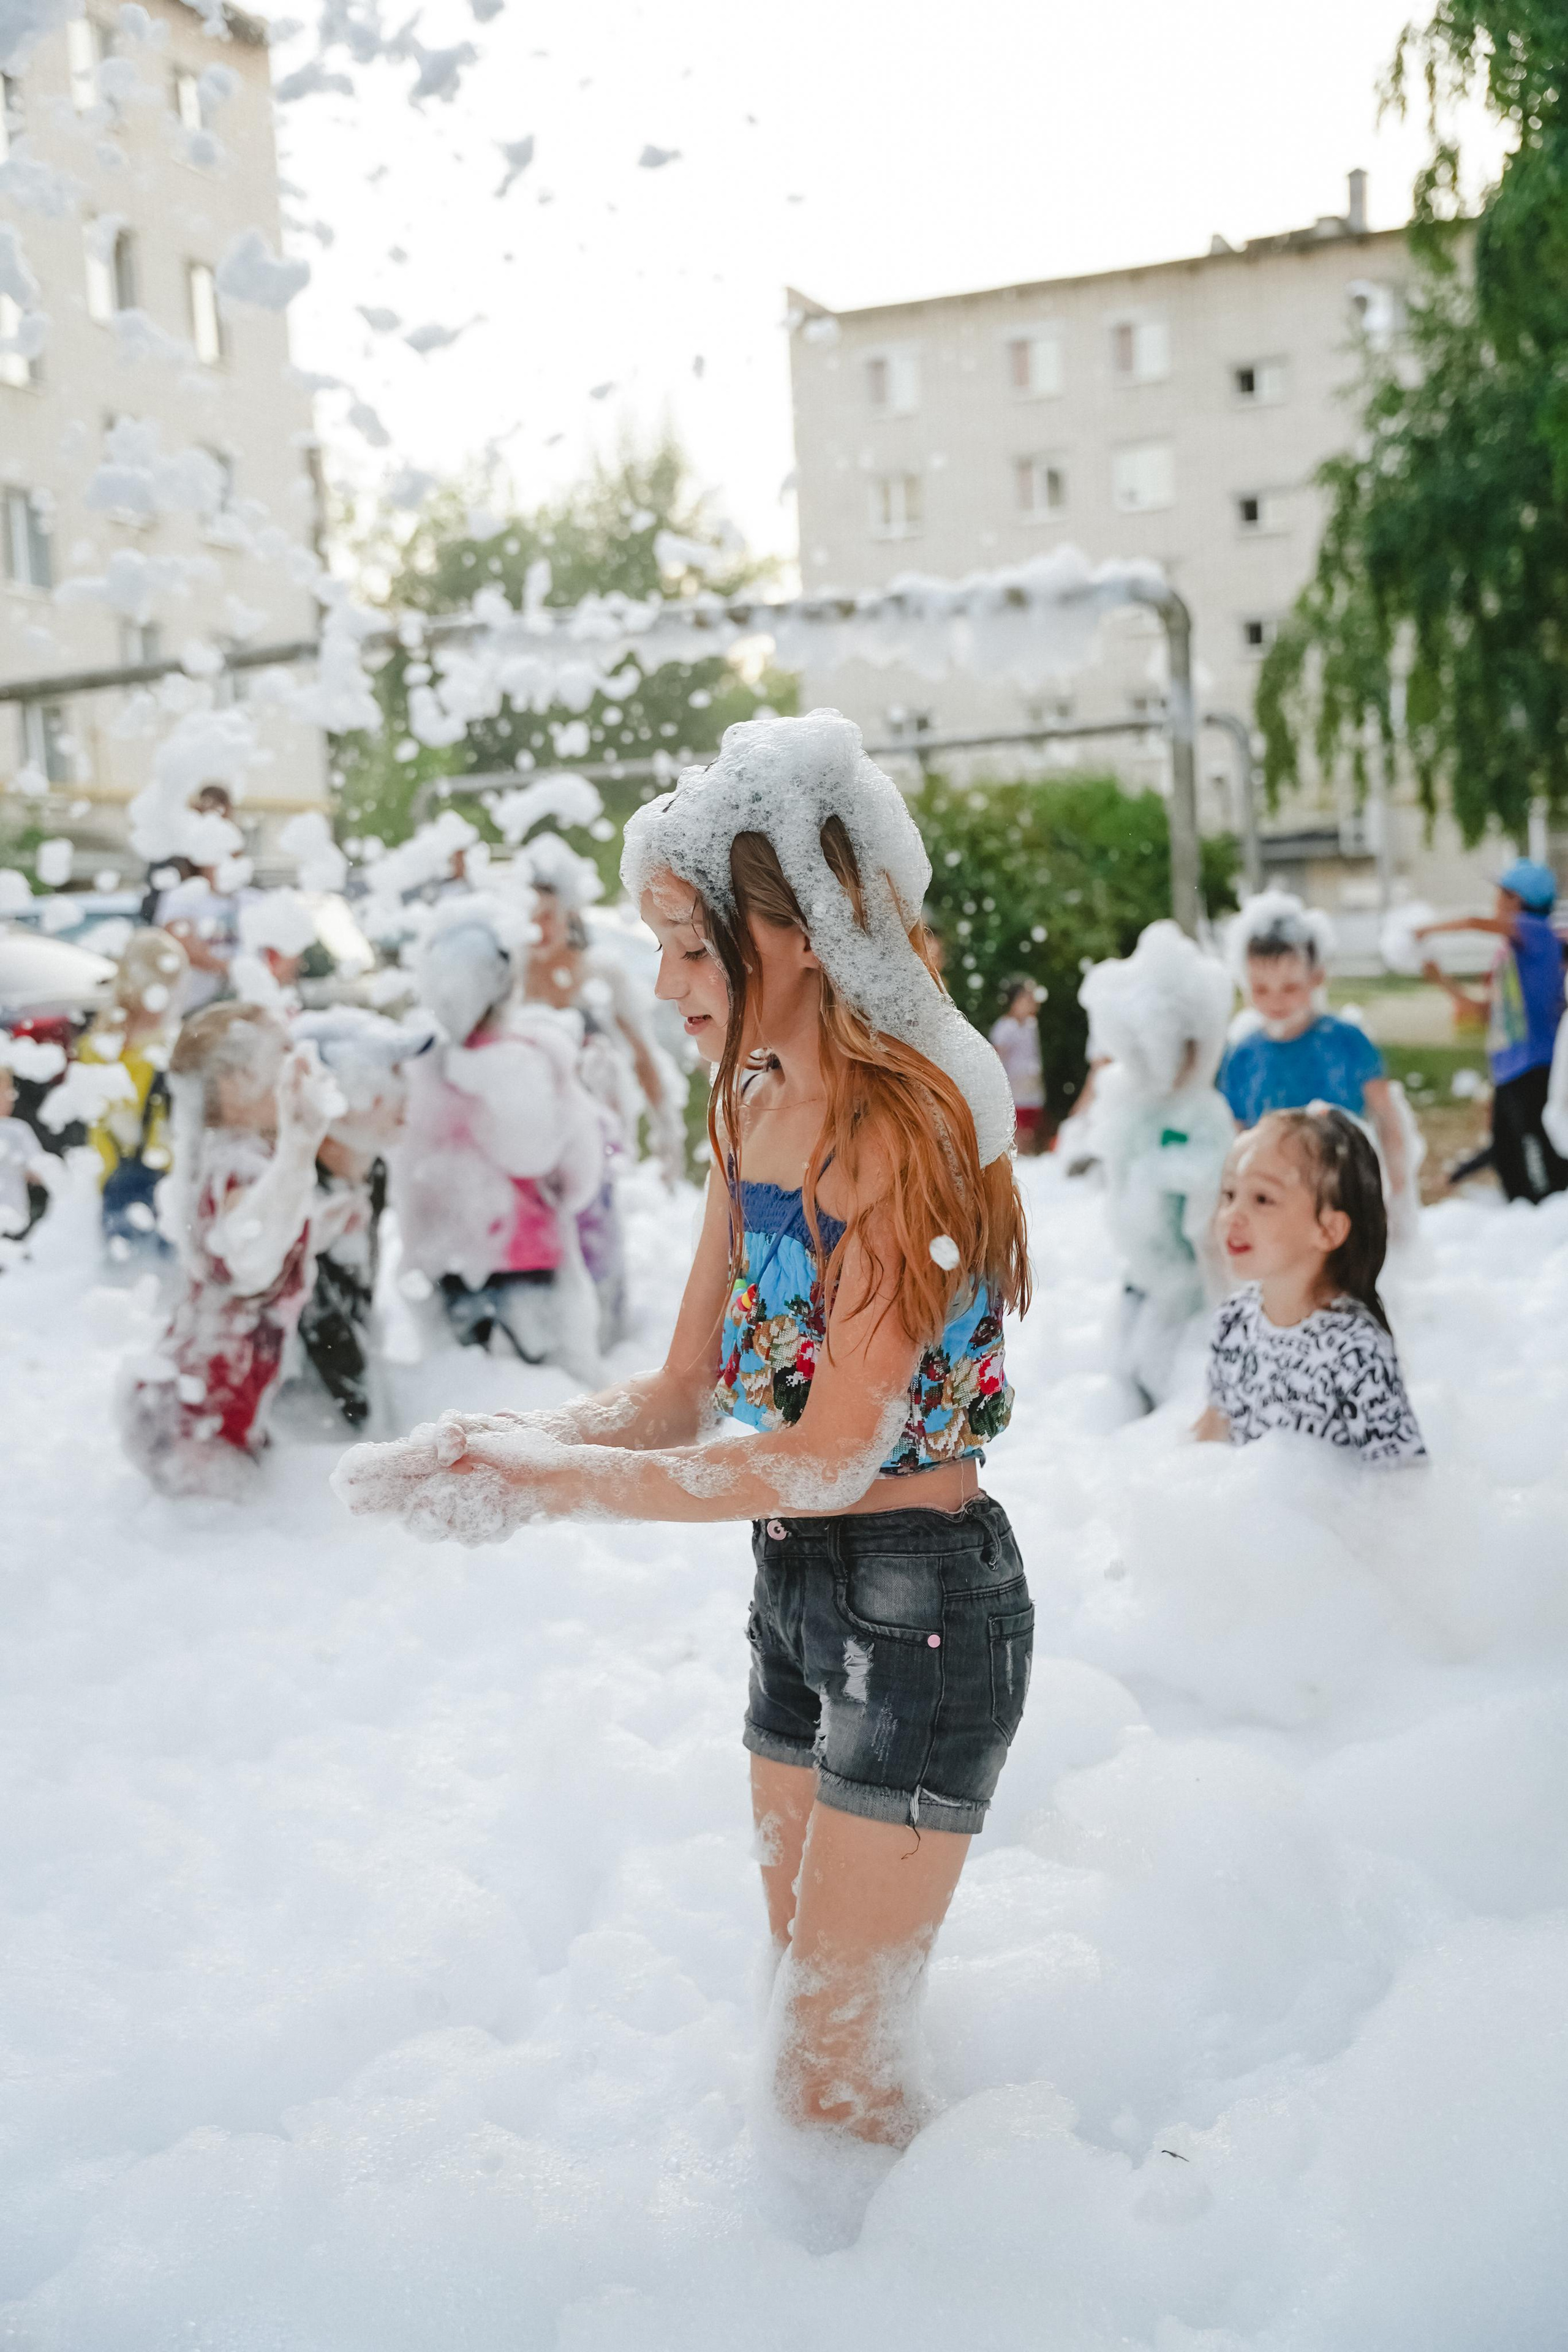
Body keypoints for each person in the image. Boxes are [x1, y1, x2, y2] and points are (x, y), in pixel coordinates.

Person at [336, 710, 1033, 2153]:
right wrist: (507, 1444)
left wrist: (563, 1482)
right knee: (798, 2027)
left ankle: (1009, 2241)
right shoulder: (749, 1109)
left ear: (796, 937)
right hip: (796, 1586)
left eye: (689, 950)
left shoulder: (899, 1134)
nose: (661, 985)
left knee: (828, 2081)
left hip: (923, 1606)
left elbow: (834, 1452)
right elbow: (677, 1396)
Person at [118, 1004, 339, 1498]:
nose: (302, 1064)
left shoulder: (228, 1155)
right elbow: (249, 1258)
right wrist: (300, 1153)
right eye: (285, 1053)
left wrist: (322, 1223)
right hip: (201, 1421)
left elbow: (243, 1247)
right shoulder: (240, 1164)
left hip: (195, 1399)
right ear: (236, 1084)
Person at [394, 894, 608, 1385]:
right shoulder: (532, 1055)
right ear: (507, 982)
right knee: (554, 1404)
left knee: (463, 1402)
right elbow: (575, 1178)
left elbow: (405, 1174)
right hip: (532, 1262)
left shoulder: (418, 1066)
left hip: (446, 1266)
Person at [1196, 1107, 1425, 1464]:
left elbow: (1401, 1477)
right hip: (1250, 1494)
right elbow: (1212, 1431)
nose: (1231, 1216)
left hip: (1325, 1500)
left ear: (1328, 1230)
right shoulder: (1234, 1322)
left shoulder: (1354, 1350)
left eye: (1262, 1199)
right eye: (1228, 1194)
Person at [1076, 921, 1235, 1409]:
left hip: (1191, 1280)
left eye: (1177, 1051)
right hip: (1143, 1275)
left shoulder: (1205, 1112)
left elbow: (1217, 1182)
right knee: (1128, 1373)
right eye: (1143, 1054)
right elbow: (1118, 1175)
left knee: (1179, 1379)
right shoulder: (1130, 1104)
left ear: (1202, 1046)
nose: (1161, 1067)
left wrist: (1168, 1171)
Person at [288, 1007, 429, 1431]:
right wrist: (370, 1428)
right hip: (303, 1421)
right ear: (338, 1095)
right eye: (389, 1073)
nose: (407, 1092)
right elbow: (326, 1336)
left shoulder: (373, 1170)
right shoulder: (300, 1197)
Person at [1218, 892, 1409, 1200]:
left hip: (1340, 1187)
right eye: (1261, 989)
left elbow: (1386, 1116)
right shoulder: (1242, 1056)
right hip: (1272, 1193)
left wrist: (1396, 1186)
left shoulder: (1347, 1041)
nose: (1276, 1000)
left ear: (1317, 978)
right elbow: (1236, 1136)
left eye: (1290, 987)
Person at [1418, 858, 1567, 1204]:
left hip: (1535, 1066)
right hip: (1509, 1071)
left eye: (1501, 893)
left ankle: (1552, 1217)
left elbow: (1474, 922)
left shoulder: (1537, 932)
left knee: (1542, 1165)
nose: (1495, 901)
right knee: (1509, 1159)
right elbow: (1484, 1010)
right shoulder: (1512, 956)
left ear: (1518, 900)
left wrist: (1421, 931)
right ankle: (1524, 1218)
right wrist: (1440, 979)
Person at [78, 928, 189, 1255]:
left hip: (111, 1183)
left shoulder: (95, 1047)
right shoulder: (167, 1051)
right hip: (163, 1186)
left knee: (121, 1269)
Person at [0, 1050, 57, 1246]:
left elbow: (38, 1168)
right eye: (4, 1093)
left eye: (11, 1093)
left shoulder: (18, 1130)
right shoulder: (17, 1130)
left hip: (13, 1217)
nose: (10, 1099)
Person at [989, 977, 1046, 1153]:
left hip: (1032, 1091)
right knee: (1017, 1138)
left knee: (1031, 1136)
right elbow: (997, 1059)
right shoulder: (1005, 1027)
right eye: (1027, 998)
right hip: (1014, 1093)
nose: (1032, 1002)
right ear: (1014, 1001)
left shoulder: (1031, 1025)